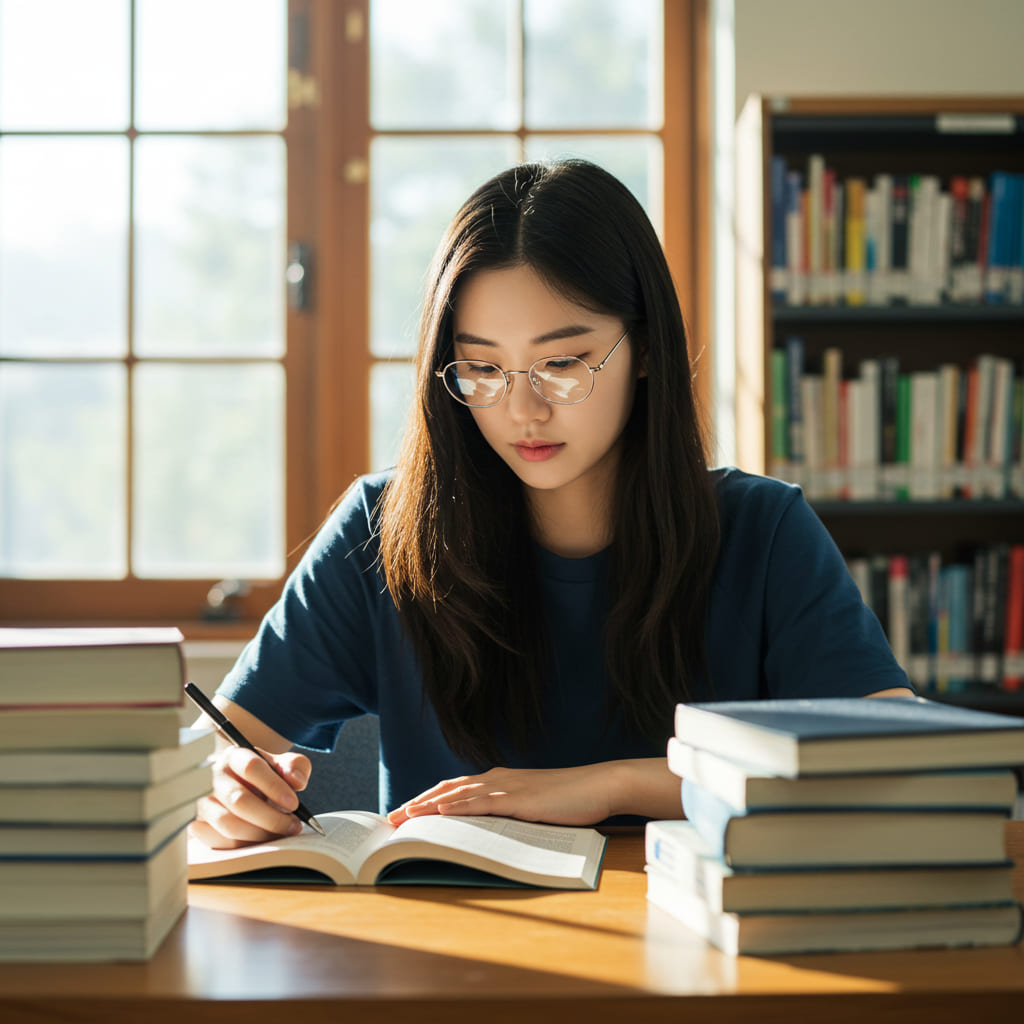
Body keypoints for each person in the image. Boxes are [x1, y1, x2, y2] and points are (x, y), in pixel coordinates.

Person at [190, 158, 913, 851]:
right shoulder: (383, 529)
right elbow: (217, 754)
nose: (521, 409)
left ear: (649, 348)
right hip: (449, 950)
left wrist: (612, 787)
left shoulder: (764, 532)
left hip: (709, 940)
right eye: (482, 368)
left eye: (562, 363)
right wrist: (224, 789)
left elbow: (896, 756)